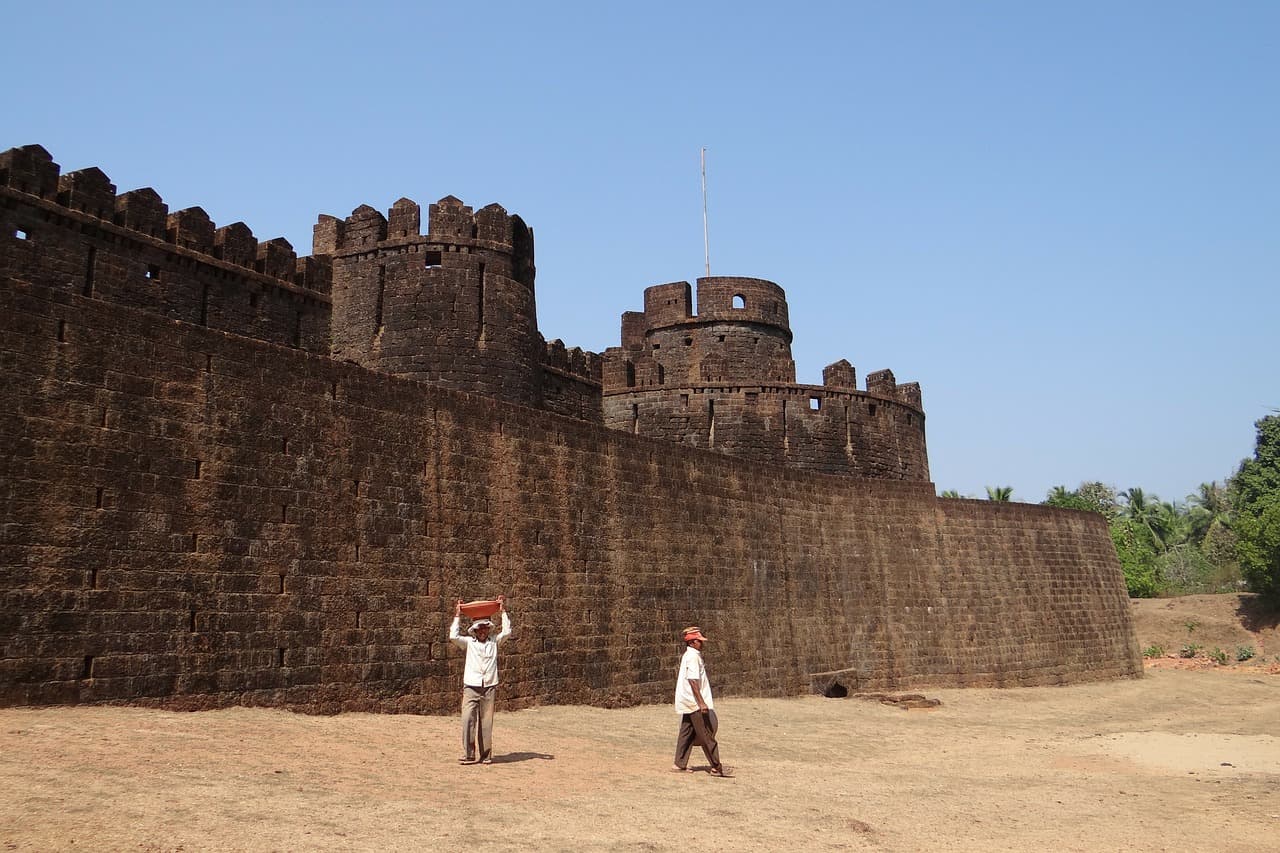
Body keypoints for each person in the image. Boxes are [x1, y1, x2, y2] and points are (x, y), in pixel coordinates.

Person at [449, 596, 512, 765]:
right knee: (467, 719)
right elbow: (453, 636)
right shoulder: (468, 642)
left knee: (486, 722)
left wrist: (502, 610)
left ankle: (486, 755)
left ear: (488, 630)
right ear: (475, 631)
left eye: (485, 628)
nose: (483, 631)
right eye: (480, 629)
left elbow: (507, 632)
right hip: (471, 686)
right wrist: (458, 615)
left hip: (489, 686)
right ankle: (469, 754)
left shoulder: (494, 642)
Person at [672, 625, 731, 777]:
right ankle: (716, 766)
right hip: (694, 703)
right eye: (699, 641)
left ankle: (679, 763)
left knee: (686, 733)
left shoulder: (688, 655)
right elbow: (693, 681)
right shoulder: (693, 657)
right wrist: (701, 702)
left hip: (688, 701)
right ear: (692, 642)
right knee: (706, 733)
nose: (701, 643)